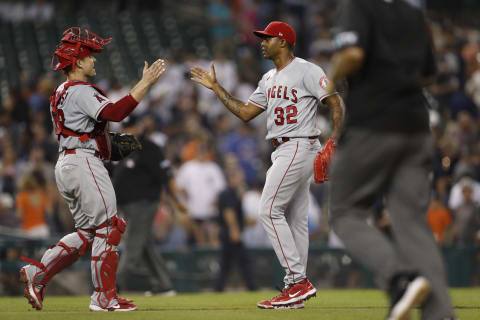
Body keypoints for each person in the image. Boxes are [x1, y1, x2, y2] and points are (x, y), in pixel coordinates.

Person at [190, 21, 344, 309]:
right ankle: (295, 290)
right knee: (296, 219)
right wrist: (216, 88)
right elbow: (246, 112)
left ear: (283, 41)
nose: (261, 42)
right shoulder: (268, 78)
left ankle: (297, 281)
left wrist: (333, 141)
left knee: (268, 210)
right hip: (283, 148)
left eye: (267, 38)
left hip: (299, 144)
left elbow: (336, 104)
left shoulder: (307, 70)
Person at [19, 27, 166, 312]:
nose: (95, 61)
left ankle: (38, 274)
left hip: (69, 162)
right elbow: (115, 113)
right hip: (83, 162)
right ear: (77, 62)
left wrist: (108, 146)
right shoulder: (80, 90)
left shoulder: (61, 91)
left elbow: (82, 130)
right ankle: (103, 297)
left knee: (88, 233)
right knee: (110, 227)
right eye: (90, 57)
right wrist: (145, 83)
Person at [327, 1, 455, 319]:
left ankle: (400, 278)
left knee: (345, 213)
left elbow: (353, 54)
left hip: (373, 124)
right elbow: (427, 76)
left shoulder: (359, 7)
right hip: (416, 127)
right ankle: (441, 315)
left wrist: (332, 78)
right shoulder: (413, 14)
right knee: (412, 223)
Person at [115, 115, 184, 295]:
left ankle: (113, 286)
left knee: (132, 245)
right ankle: (164, 285)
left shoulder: (149, 148)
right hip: (129, 206)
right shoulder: (123, 149)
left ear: (139, 127)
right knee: (144, 245)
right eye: (125, 128)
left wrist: (177, 200)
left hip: (144, 204)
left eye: (130, 127)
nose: (126, 131)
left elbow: (166, 175)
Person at [215, 161, 256, 292]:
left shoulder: (233, 193)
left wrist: (245, 222)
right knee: (243, 262)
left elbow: (234, 214)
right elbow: (229, 213)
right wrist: (234, 230)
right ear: (231, 178)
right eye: (238, 176)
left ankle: (218, 288)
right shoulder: (228, 193)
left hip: (229, 232)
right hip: (230, 233)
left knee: (226, 264)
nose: (241, 178)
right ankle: (252, 287)